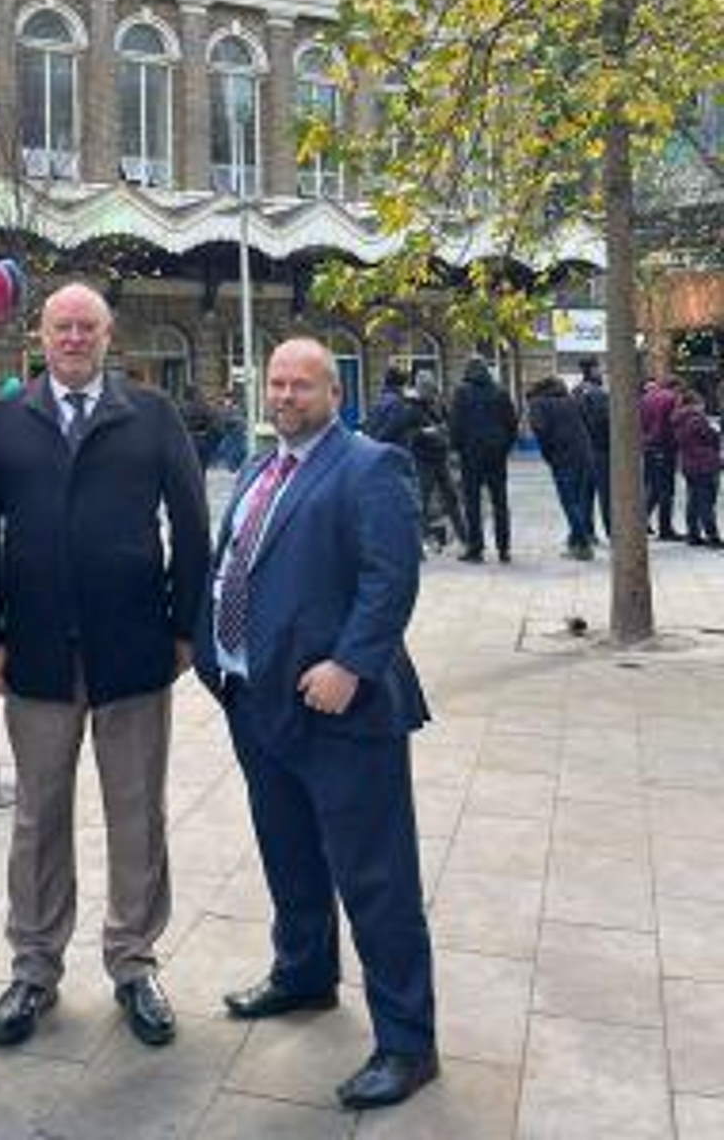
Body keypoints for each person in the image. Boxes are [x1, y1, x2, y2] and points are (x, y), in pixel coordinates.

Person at [0, 282, 210, 1050]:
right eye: (61, 326)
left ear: (109, 337)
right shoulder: (5, 422)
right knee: (38, 816)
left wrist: (182, 628)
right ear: (40, 337)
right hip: (35, 654)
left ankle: (134, 962)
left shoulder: (152, 416)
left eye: (87, 327)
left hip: (132, 652)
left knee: (138, 811)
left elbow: (194, 527)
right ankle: (34, 967)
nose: (74, 338)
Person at [196, 337, 436, 1111]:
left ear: (336, 392)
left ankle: (407, 1041)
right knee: (289, 852)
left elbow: (391, 575)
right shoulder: (264, 467)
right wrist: (213, 656)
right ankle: (304, 973)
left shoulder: (370, 466)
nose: (287, 395)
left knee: (375, 875)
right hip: (257, 702)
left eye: (303, 384)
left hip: (342, 710)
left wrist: (351, 664)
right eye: (277, 382)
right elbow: (238, 561)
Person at [449, 357, 519, 564]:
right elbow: (512, 423)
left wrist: (457, 448)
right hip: (496, 454)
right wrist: (505, 447)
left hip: (471, 454)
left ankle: (475, 548)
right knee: (500, 502)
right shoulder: (500, 391)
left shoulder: (462, 392)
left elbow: (456, 424)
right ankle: (504, 548)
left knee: (472, 503)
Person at [527, 375, 598, 559]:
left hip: (562, 457)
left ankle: (583, 543)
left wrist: (549, 453)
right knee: (580, 500)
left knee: (569, 501)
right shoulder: (571, 401)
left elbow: (539, 430)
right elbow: (587, 423)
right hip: (585, 453)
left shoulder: (538, 403)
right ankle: (576, 540)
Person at [411, 372, 466, 552]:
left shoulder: (439, 402)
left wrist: (444, 430)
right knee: (423, 499)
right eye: (427, 389)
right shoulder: (413, 406)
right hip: (423, 458)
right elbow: (411, 432)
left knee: (451, 497)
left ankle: (463, 536)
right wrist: (425, 432)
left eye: (432, 389)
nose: (431, 393)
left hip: (440, 455)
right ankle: (422, 538)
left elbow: (449, 422)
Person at [671, 388, 722, 548]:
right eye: (701, 404)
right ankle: (712, 536)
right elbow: (712, 438)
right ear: (694, 404)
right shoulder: (697, 420)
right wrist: (715, 429)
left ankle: (693, 534)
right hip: (704, 464)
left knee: (693, 500)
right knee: (706, 501)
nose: (703, 407)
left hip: (689, 464)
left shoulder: (678, 419)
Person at [640, 376, 683, 540]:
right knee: (666, 490)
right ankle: (665, 529)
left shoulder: (646, 397)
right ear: (675, 387)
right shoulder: (671, 398)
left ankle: (641, 521)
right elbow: (672, 423)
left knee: (653, 488)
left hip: (648, 447)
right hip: (664, 447)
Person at [573, 359, 611, 538]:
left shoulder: (576, 392)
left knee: (584, 494)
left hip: (580, 450)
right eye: (599, 369)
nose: (602, 372)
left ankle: (587, 531)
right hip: (600, 449)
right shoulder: (599, 394)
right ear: (592, 370)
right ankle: (612, 530)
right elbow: (604, 422)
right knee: (606, 494)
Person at [363, 363, 424, 448]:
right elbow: (392, 430)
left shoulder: (382, 399)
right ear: (402, 385)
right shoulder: (398, 403)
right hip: (389, 450)